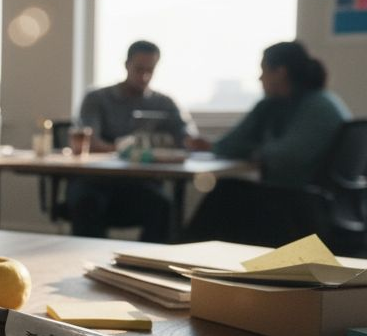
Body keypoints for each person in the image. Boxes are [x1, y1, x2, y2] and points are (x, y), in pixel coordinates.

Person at [184, 41, 351, 245]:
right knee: (228, 193)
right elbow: (229, 144)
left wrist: (254, 151)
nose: (260, 78)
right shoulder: (273, 105)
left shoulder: (319, 106)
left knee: (225, 196)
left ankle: (184, 254)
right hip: (299, 201)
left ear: (280, 72)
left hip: (305, 205)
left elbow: (286, 157)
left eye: (263, 71)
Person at [66, 41, 197, 242]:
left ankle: (146, 265)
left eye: (150, 70)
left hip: (139, 185)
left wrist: (174, 145)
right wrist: (125, 149)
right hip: (95, 183)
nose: (144, 76)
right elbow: (90, 143)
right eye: (139, 69)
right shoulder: (97, 98)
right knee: (87, 203)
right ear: (127, 65)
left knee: (163, 206)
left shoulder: (164, 103)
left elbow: (188, 139)